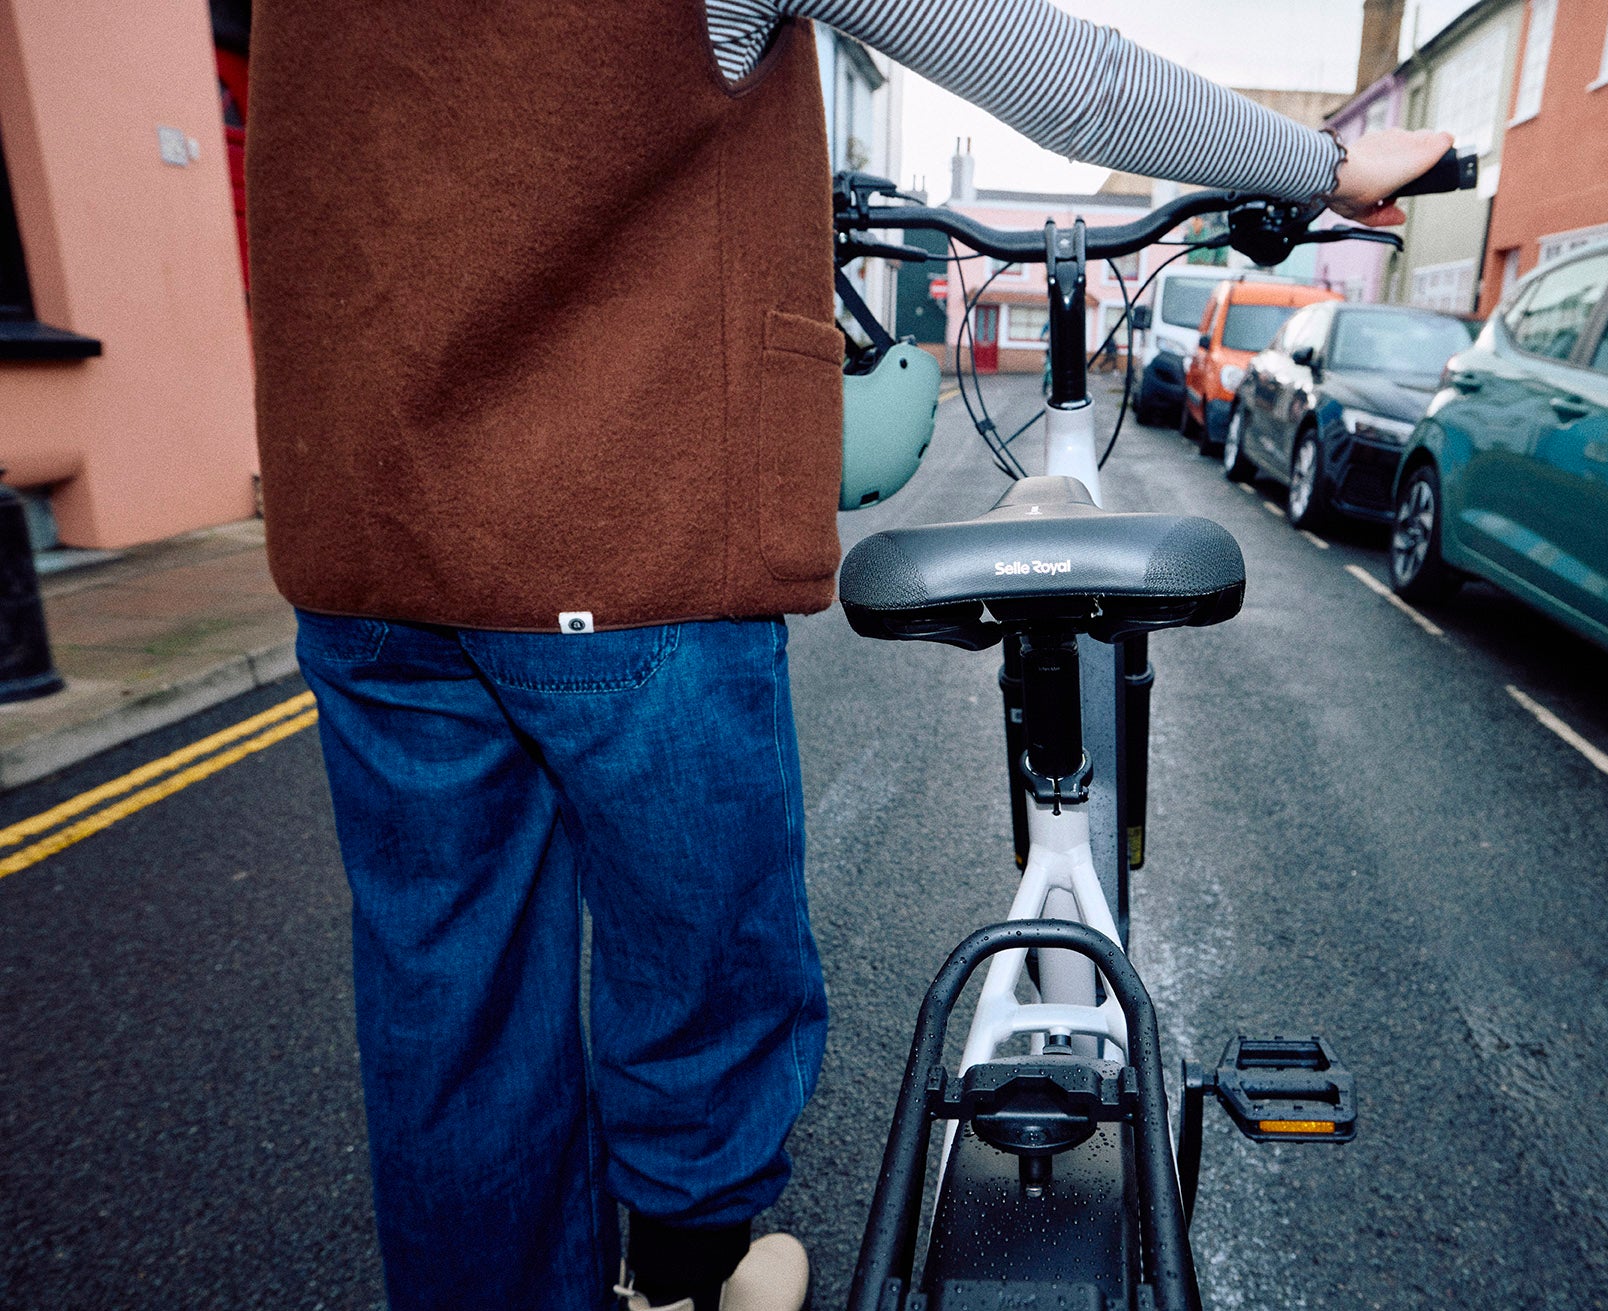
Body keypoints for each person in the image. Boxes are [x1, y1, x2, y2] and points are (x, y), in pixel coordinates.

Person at [246, 2, 1450, 1308]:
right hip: (621, 527)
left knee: (451, 1007)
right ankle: (687, 1278)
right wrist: (1325, 165)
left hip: (367, 532)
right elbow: (1060, 73)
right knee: (699, 955)